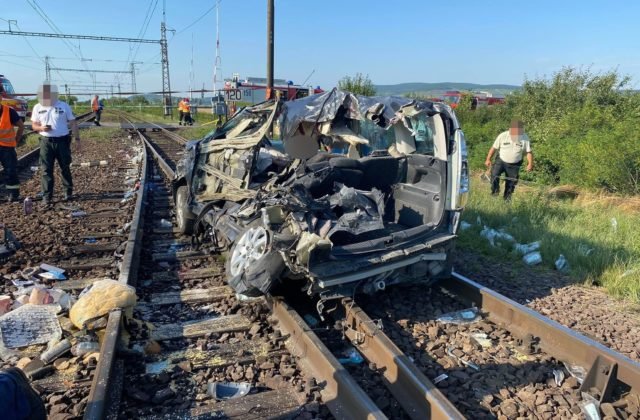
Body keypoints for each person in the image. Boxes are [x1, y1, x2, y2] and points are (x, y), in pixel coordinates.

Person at [31, 83, 81, 206]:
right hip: (46, 142)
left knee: (65, 166)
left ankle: (68, 192)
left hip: (62, 141)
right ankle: (47, 196)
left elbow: (73, 123)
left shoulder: (64, 106)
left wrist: (77, 139)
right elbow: (34, 125)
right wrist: (41, 128)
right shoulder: (38, 107)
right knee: (46, 169)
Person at [485, 119, 533, 200]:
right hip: (501, 160)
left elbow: (528, 152)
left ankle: (507, 199)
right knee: (494, 175)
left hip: (514, 164)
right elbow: (494, 148)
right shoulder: (503, 135)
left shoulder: (525, 137)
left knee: (511, 182)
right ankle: (495, 192)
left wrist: (530, 164)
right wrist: (488, 159)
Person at [0, 101, 25, 202]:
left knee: (11, 171)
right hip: (7, 148)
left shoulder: (9, 111)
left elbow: (21, 126)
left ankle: (13, 195)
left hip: (7, 148)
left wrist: (16, 140)